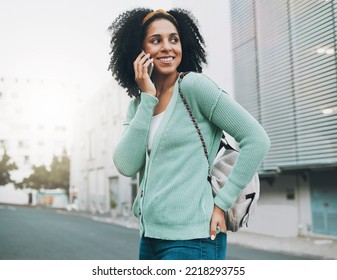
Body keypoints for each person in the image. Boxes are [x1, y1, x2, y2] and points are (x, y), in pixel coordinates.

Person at [108, 8, 270, 260]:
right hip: (149, 239)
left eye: (174, 39)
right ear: (138, 51)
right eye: (155, 40)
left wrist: (221, 204)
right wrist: (147, 98)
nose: (167, 47)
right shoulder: (138, 105)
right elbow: (126, 165)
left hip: (195, 239)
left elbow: (257, 139)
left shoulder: (194, 87)